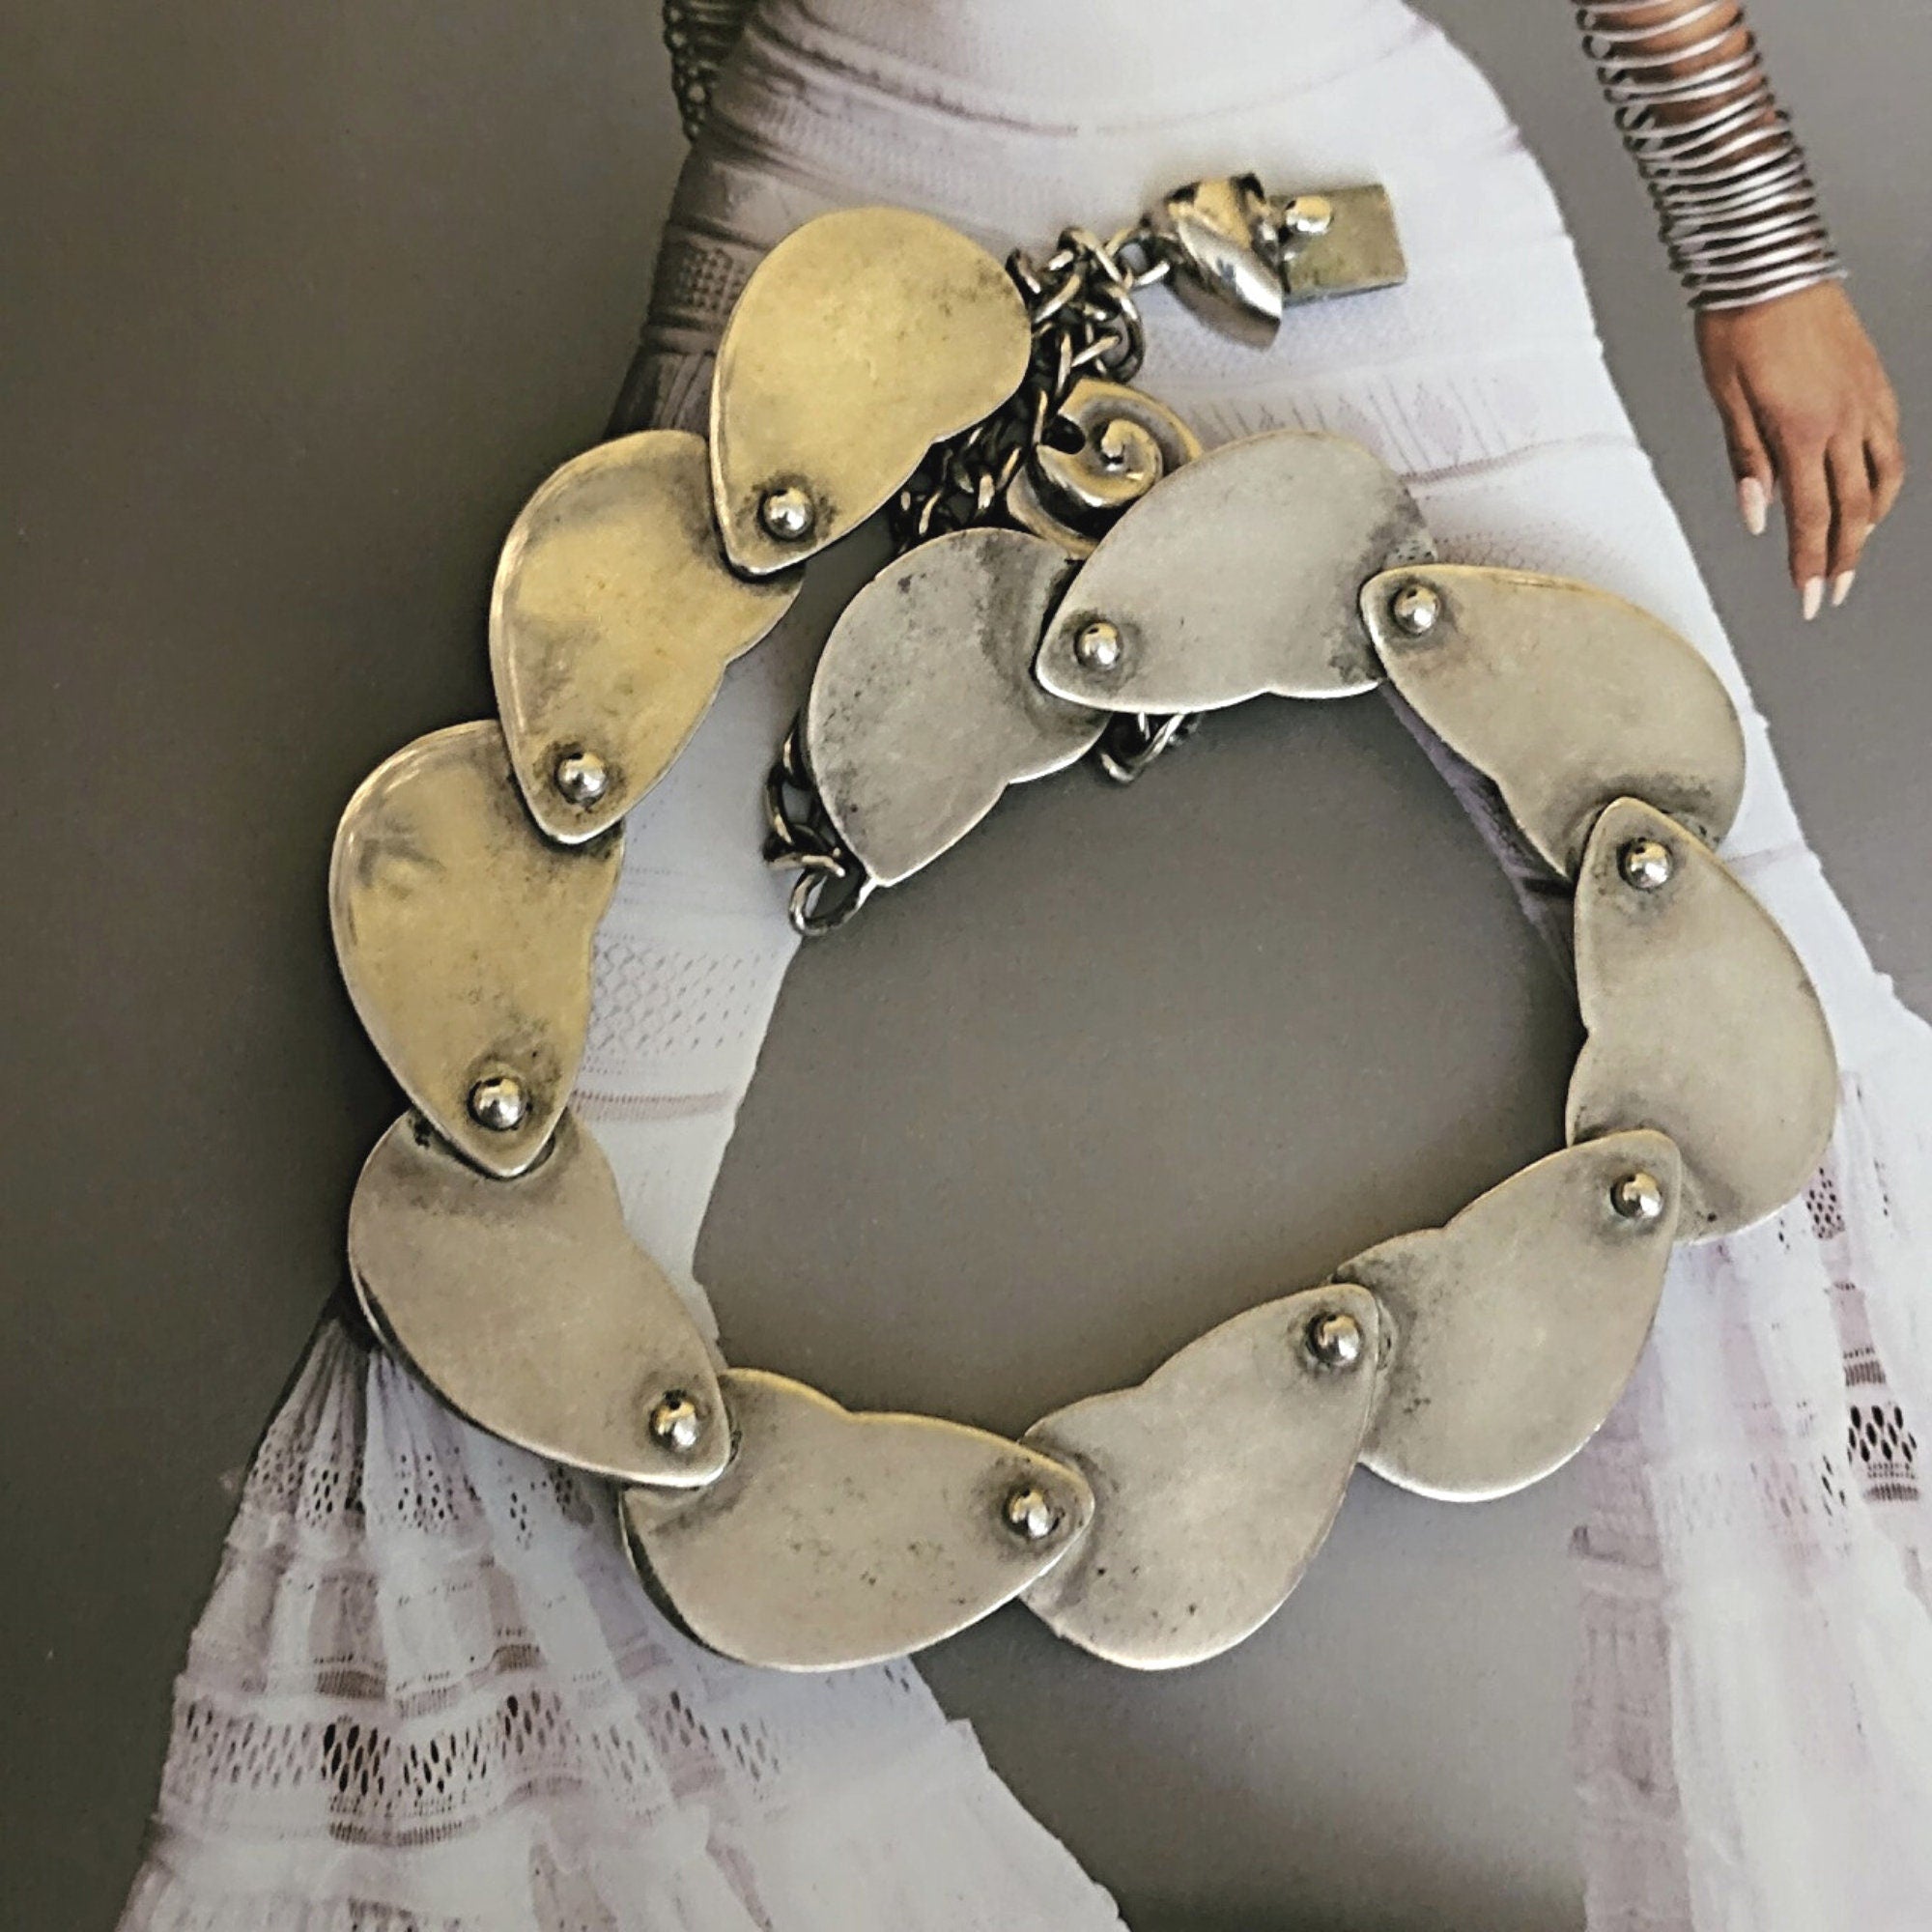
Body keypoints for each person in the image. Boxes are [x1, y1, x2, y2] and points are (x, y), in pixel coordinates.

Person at [123, 4, 1928, 1928]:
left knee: (1762, 1036)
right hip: (854, 189)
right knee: (512, 1203)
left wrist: (1755, 242)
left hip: (1332, 173)